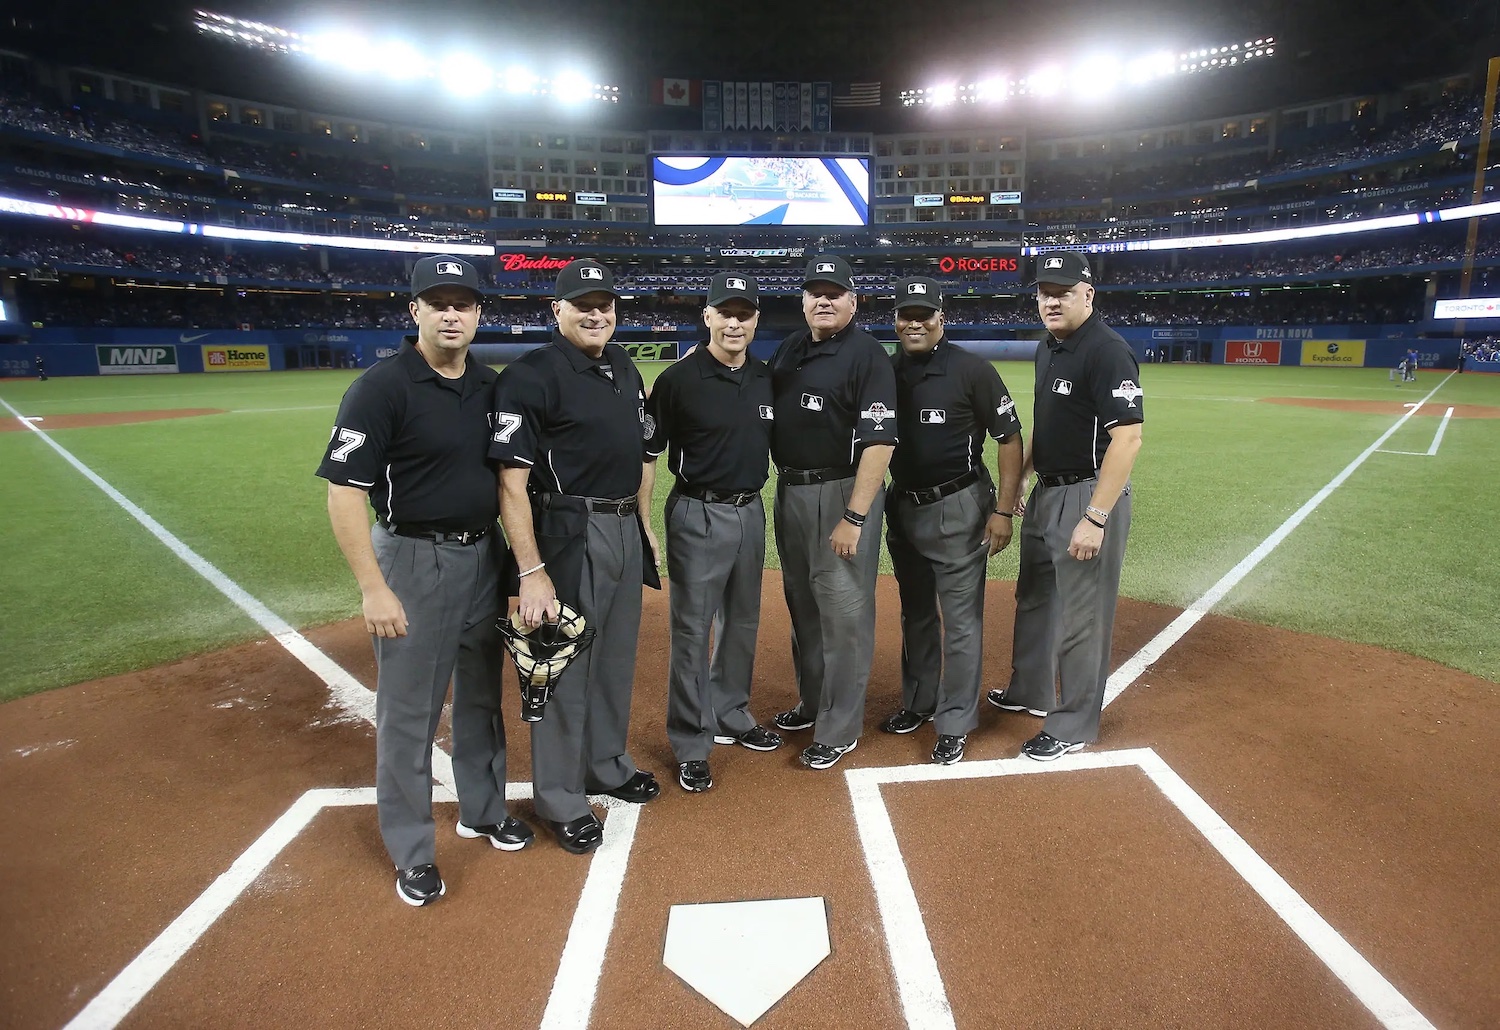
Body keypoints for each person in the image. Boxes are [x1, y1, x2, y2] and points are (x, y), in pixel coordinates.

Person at [318, 255, 525, 908]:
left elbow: (507, 483)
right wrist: (373, 586)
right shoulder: (381, 388)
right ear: (414, 312)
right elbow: (344, 492)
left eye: (462, 302)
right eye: (437, 302)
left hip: (482, 557)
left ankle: (483, 810)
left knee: (481, 700)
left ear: (478, 313)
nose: (451, 313)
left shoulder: (491, 387)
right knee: (408, 716)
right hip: (411, 558)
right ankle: (412, 850)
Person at [490, 259, 661, 856]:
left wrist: (643, 521)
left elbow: (639, 454)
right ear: (556, 310)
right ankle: (560, 797)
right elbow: (511, 485)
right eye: (582, 304)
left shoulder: (622, 365)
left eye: (605, 304)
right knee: (562, 666)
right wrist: (531, 571)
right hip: (569, 529)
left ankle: (606, 765)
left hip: (619, 525)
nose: (596, 314)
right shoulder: (529, 376)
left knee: (614, 656)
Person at [990, 251, 1143, 761]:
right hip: (1047, 490)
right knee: (1034, 599)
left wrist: (1096, 517)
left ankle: (1074, 722)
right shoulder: (1048, 347)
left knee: (1082, 615)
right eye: (1044, 292)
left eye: (1063, 292)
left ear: (1088, 295)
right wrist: (1018, 489)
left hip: (1087, 492)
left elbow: (1127, 440)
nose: (1051, 300)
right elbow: (1046, 424)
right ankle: (1029, 691)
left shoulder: (1108, 351)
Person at [643, 271, 783, 794]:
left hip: (751, 510)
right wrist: (642, 521)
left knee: (742, 621)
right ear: (707, 317)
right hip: (697, 513)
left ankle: (732, 712)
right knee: (692, 630)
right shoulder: (677, 381)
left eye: (743, 313)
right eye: (724, 312)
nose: (734, 322)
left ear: (755, 321)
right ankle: (691, 740)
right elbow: (647, 457)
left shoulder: (768, 376)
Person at [881, 277, 1024, 765]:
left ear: (942, 318)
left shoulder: (971, 370)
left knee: (960, 621)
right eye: (906, 314)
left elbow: (1009, 437)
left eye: (924, 314)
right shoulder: (885, 370)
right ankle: (919, 702)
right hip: (901, 504)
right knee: (915, 611)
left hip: (959, 505)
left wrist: (1003, 510)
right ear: (895, 318)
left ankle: (956, 719)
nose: (914, 322)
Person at [769, 255, 898, 770]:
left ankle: (840, 725)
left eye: (834, 293)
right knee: (803, 604)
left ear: (853, 301)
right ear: (803, 300)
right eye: (814, 292)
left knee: (844, 611)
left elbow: (880, 441)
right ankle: (812, 700)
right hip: (791, 491)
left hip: (842, 492)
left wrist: (856, 515)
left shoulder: (867, 355)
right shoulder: (790, 348)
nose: (823, 300)